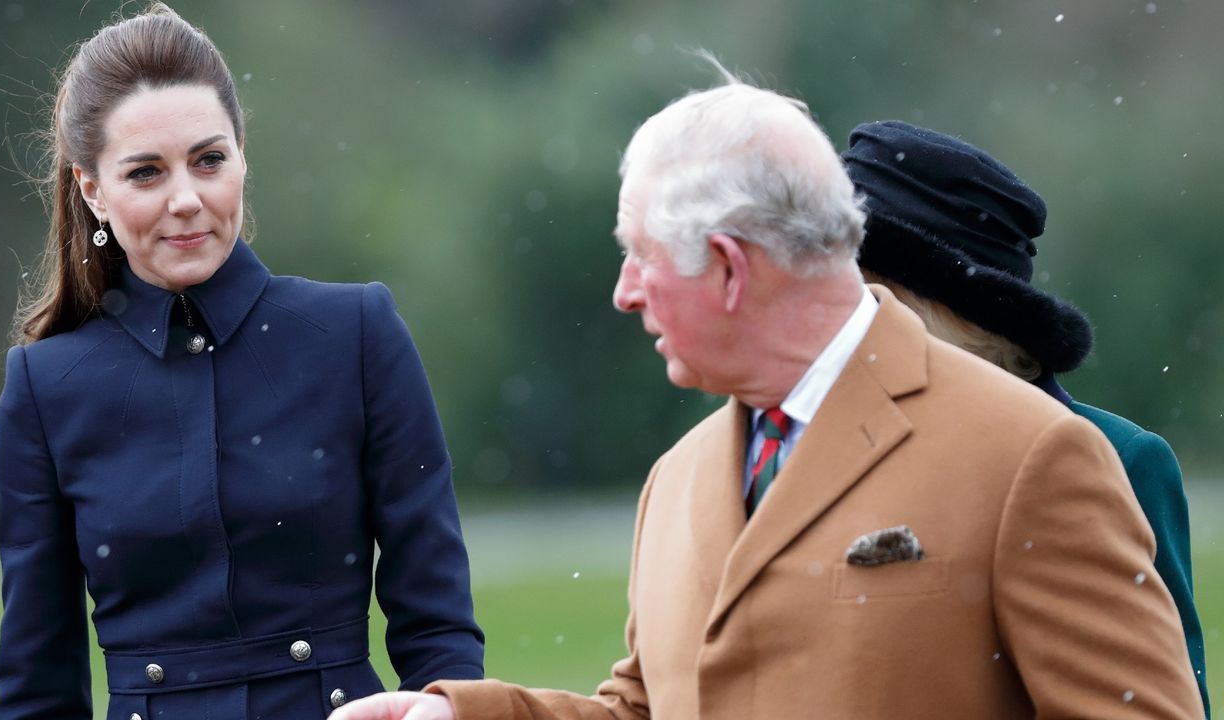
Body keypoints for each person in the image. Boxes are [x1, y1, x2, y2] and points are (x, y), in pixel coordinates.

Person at [330, 63, 1203, 720]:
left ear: (729, 268)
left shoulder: (1032, 454)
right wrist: (459, 713)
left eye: (640, 255)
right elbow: (646, 712)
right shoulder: (676, 478)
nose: (624, 292)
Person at [0, 5, 482, 719]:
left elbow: (436, 620)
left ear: (242, 155)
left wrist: (445, 706)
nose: (186, 199)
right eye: (146, 173)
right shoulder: (45, 388)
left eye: (208, 160)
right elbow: (37, 685)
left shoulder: (355, 335)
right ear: (93, 190)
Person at [841, 119, 1209, 716]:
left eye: (858, 296)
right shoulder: (808, 448)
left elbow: (1161, 697)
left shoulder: (1116, 456)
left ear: (933, 316)